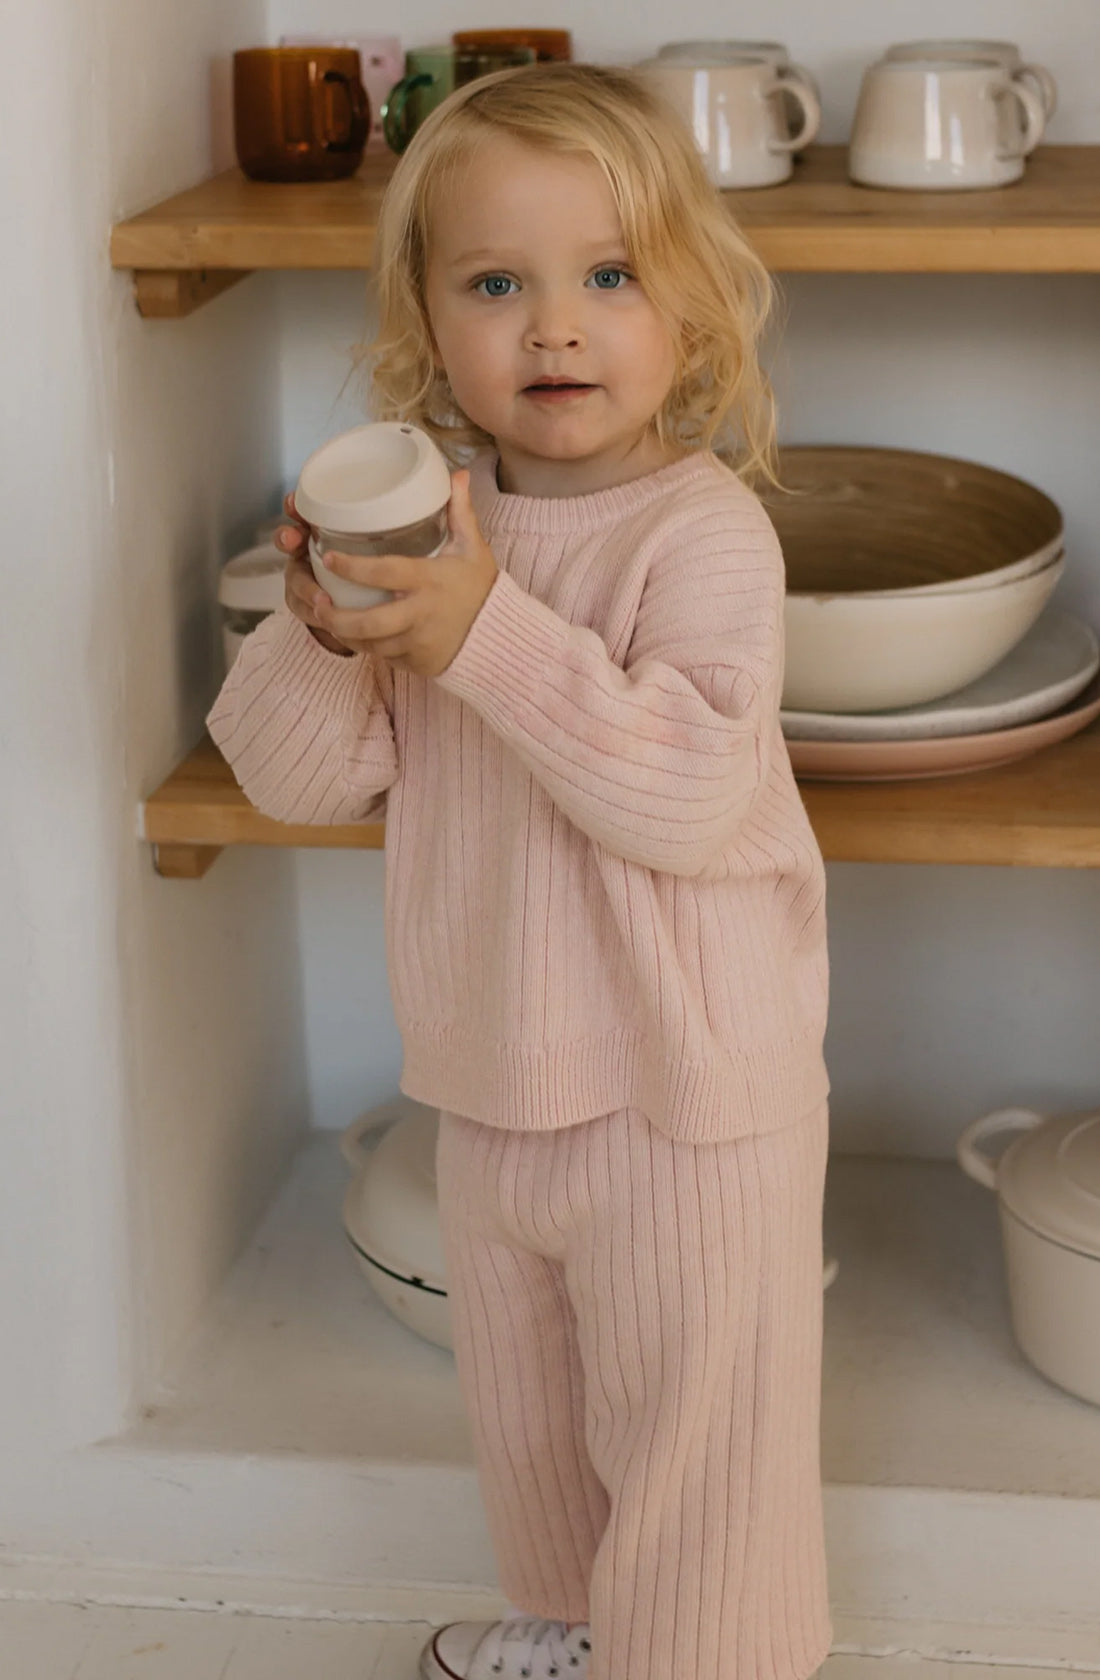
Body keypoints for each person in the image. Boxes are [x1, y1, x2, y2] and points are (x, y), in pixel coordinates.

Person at [208, 60, 832, 1680]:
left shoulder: (701, 538)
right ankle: (574, 1633)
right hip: (499, 1078)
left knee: (700, 1459)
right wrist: (324, 624)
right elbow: (297, 772)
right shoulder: (440, 532)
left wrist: (483, 634)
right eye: (498, 282)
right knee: (538, 1420)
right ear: (429, 326)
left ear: (690, 312)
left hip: (686, 1097)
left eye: (609, 276)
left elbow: (691, 789)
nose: (555, 326)